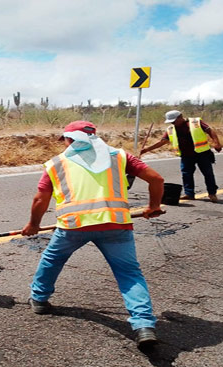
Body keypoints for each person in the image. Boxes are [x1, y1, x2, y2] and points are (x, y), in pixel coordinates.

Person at [21, 120, 165, 349]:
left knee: (52, 259)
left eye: (65, 139)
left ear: (69, 139)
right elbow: (156, 179)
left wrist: (33, 225)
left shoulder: (57, 163)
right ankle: (143, 325)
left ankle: (39, 299)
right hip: (115, 225)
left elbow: (40, 199)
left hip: (74, 226)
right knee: (129, 273)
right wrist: (153, 206)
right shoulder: (120, 156)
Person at [141, 110, 222, 202]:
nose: (173, 123)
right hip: (186, 156)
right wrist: (147, 150)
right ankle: (189, 194)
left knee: (208, 174)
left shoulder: (195, 122)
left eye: (174, 121)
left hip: (202, 153)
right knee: (186, 174)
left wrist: (217, 143)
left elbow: (210, 131)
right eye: (171, 121)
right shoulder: (171, 129)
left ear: (180, 117)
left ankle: (212, 193)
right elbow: (163, 142)